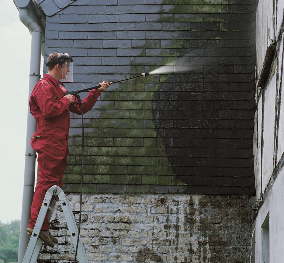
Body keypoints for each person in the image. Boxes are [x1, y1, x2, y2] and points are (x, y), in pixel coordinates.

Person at [26, 52, 109, 247]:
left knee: (54, 184)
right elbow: (48, 110)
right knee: (46, 182)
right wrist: (67, 100)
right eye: (66, 67)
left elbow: (81, 108)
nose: (68, 70)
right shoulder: (43, 86)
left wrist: (97, 91)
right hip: (48, 142)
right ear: (58, 66)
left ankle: (43, 227)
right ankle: (35, 225)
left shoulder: (59, 88)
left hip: (58, 145)